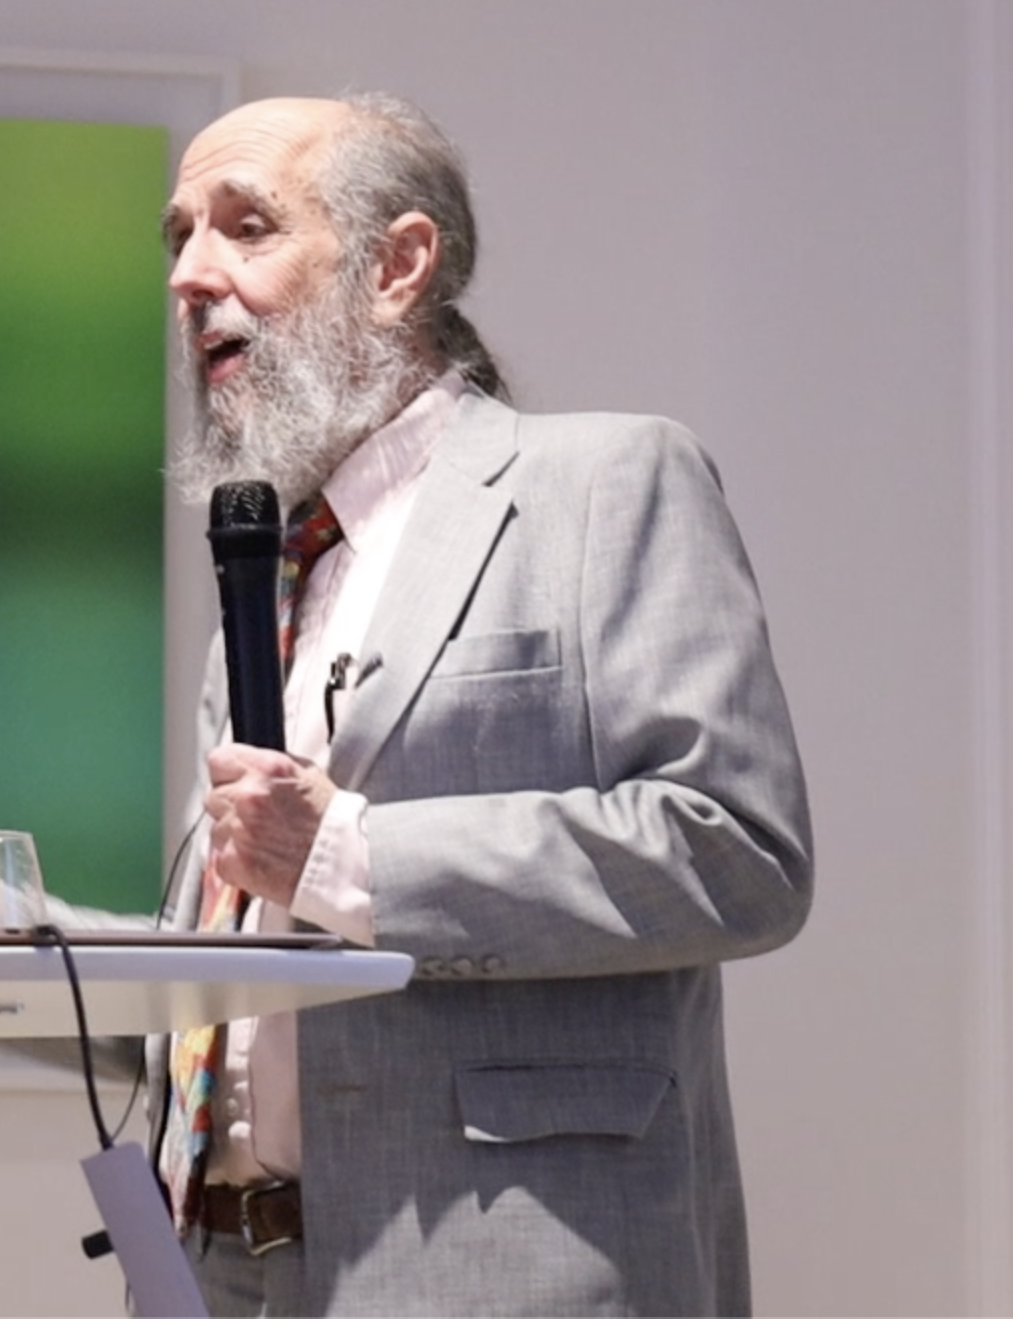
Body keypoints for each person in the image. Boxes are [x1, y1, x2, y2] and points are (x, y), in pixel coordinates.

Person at [144, 92, 812, 1317]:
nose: (189, 275)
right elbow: (238, 963)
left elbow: (737, 850)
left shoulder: (603, 483)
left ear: (397, 266)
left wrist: (351, 854)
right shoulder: (271, 572)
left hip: (507, 1271)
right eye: (177, 236)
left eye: (245, 226)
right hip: (227, 1272)